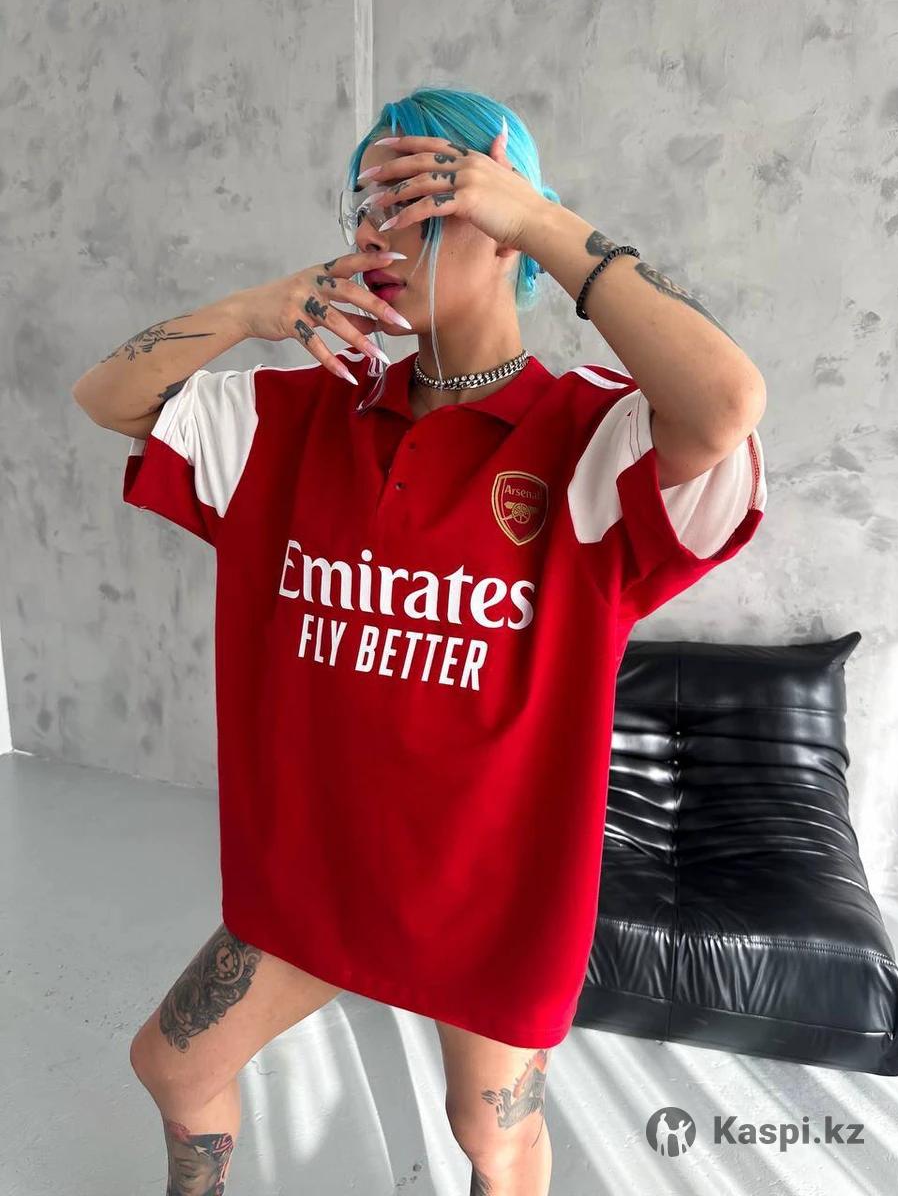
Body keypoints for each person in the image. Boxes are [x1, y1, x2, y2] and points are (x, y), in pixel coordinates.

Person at [72, 85, 767, 1196]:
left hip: (490, 899)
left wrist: (543, 219)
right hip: (316, 879)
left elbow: (727, 402)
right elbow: (107, 395)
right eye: (367, 203)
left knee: (491, 1136)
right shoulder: (296, 416)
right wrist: (253, 308)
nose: (379, 230)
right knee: (173, 1063)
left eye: (423, 198)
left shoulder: (592, 439)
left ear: (505, 219)